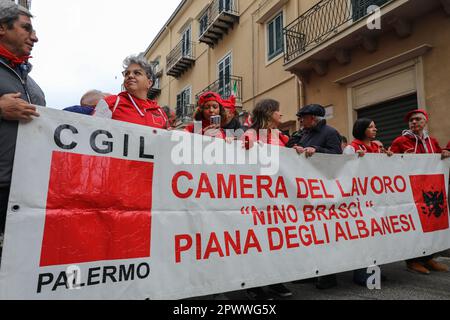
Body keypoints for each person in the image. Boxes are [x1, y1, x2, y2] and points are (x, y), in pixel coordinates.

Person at [0, 0, 44, 258]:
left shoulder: (31, 82)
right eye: (26, 29)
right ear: (2, 29)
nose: (35, 37)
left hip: (23, 189)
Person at [287, 104, 342, 289]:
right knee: (309, 234)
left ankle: (328, 276)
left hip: (322, 190)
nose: (300, 120)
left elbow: (337, 157)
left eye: (303, 117)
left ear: (314, 118)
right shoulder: (304, 133)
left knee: (323, 234)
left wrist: (317, 150)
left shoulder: (330, 132)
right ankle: (310, 272)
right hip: (305, 190)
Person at [243, 99, 292, 300]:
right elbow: (243, 156)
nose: (281, 114)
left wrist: (300, 152)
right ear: (269, 112)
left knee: (276, 240)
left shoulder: (280, 136)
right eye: (278, 111)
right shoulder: (250, 134)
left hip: (278, 197)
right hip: (257, 196)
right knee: (258, 241)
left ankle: (274, 280)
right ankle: (254, 284)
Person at [390, 109, 450, 274]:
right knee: (414, 225)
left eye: (417, 119)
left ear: (425, 122)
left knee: (431, 224)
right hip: (410, 191)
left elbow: (439, 157)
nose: (413, 122)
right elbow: (388, 164)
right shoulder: (400, 141)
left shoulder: (433, 141)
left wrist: (445, 153)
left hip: (430, 191)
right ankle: (412, 261)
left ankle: (429, 258)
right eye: (411, 121)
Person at [95, 55, 168, 129]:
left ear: (149, 83)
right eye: (127, 73)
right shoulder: (110, 103)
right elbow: (90, 129)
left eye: (137, 73)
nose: (130, 76)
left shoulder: (160, 113)